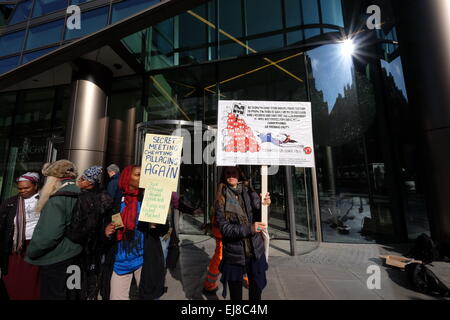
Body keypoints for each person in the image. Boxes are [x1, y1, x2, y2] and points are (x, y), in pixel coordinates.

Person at [102, 165, 169, 300]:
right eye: (138, 175)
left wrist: (156, 225)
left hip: (143, 260)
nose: (142, 178)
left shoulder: (148, 200)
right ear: (127, 177)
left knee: (149, 295)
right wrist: (106, 231)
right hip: (119, 262)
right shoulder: (115, 201)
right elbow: (106, 225)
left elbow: (163, 229)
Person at [25, 160, 82, 300]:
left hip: (57, 258)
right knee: (73, 292)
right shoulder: (82, 194)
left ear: (53, 178)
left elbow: (49, 235)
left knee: (55, 294)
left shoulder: (57, 199)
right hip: (78, 255)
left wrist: (32, 251)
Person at [214, 166, 271, 300]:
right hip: (234, 254)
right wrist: (249, 228)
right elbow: (225, 229)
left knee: (256, 293)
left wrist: (265, 206)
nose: (231, 175)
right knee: (236, 297)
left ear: (239, 174)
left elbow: (262, 219)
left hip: (255, 251)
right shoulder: (220, 199)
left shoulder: (249, 191)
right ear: (224, 175)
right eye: (228, 173)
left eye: (234, 172)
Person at [75, 165, 114, 300]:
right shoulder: (101, 195)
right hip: (92, 243)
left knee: (90, 275)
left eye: (82, 179)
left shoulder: (97, 197)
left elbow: (113, 216)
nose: (79, 181)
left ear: (90, 182)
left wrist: (110, 229)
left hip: (93, 244)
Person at [0, 172, 41, 300]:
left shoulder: (44, 200)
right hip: (14, 245)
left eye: (26, 188)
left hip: (34, 245)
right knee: (12, 277)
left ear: (35, 186)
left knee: (31, 278)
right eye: (20, 188)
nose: (22, 191)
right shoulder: (10, 202)